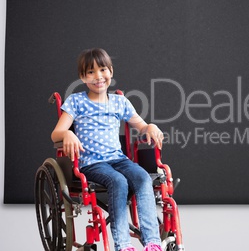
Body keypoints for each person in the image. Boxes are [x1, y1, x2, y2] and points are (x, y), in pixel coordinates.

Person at [51, 48, 164, 251]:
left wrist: (151, 126)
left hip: (118, 159)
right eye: (90, 72)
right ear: (82, 77)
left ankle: (152, 242)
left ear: (111, 71)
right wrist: (67, 133)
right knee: (118, 181)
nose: (98, 76)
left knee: (143, 178)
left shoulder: (120, 102)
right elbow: (56, 133)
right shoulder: (76, 101)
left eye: (102, 69)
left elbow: (141, 126)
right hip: (91, 163)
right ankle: (123, 245)